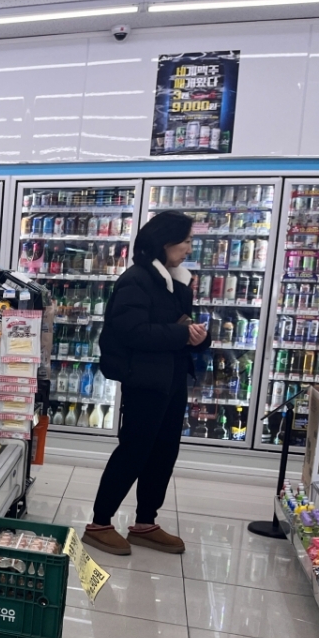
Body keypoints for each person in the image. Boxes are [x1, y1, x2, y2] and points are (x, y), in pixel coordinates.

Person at [82, 211, 210, 556]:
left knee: (164, 452)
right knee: (134, 450)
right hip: (145, 380)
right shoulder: (136, 279)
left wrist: (198, 336)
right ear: (165, 242)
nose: (189, 248)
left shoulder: (175, 281)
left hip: (172, 378)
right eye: (186, 241)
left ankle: (145, 523)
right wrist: (181, 333)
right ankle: (99, 523)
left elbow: (179, 324)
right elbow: (133, 332)